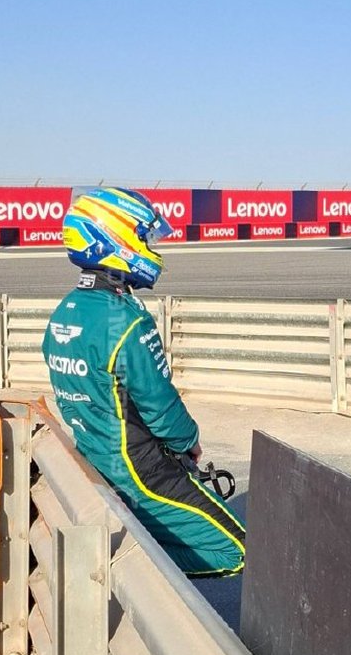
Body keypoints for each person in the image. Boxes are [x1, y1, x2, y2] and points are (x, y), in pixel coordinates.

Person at [42, 187, 245, 577]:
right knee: (237, 550)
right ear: (114, 239)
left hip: (94, 459)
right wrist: (189, 442)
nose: (151, 248)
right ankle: (124, 574)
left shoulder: (64, 311)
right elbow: (159, 404)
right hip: (140, 471)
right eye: (144, 238)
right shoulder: (127, 320)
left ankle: (125, 567)